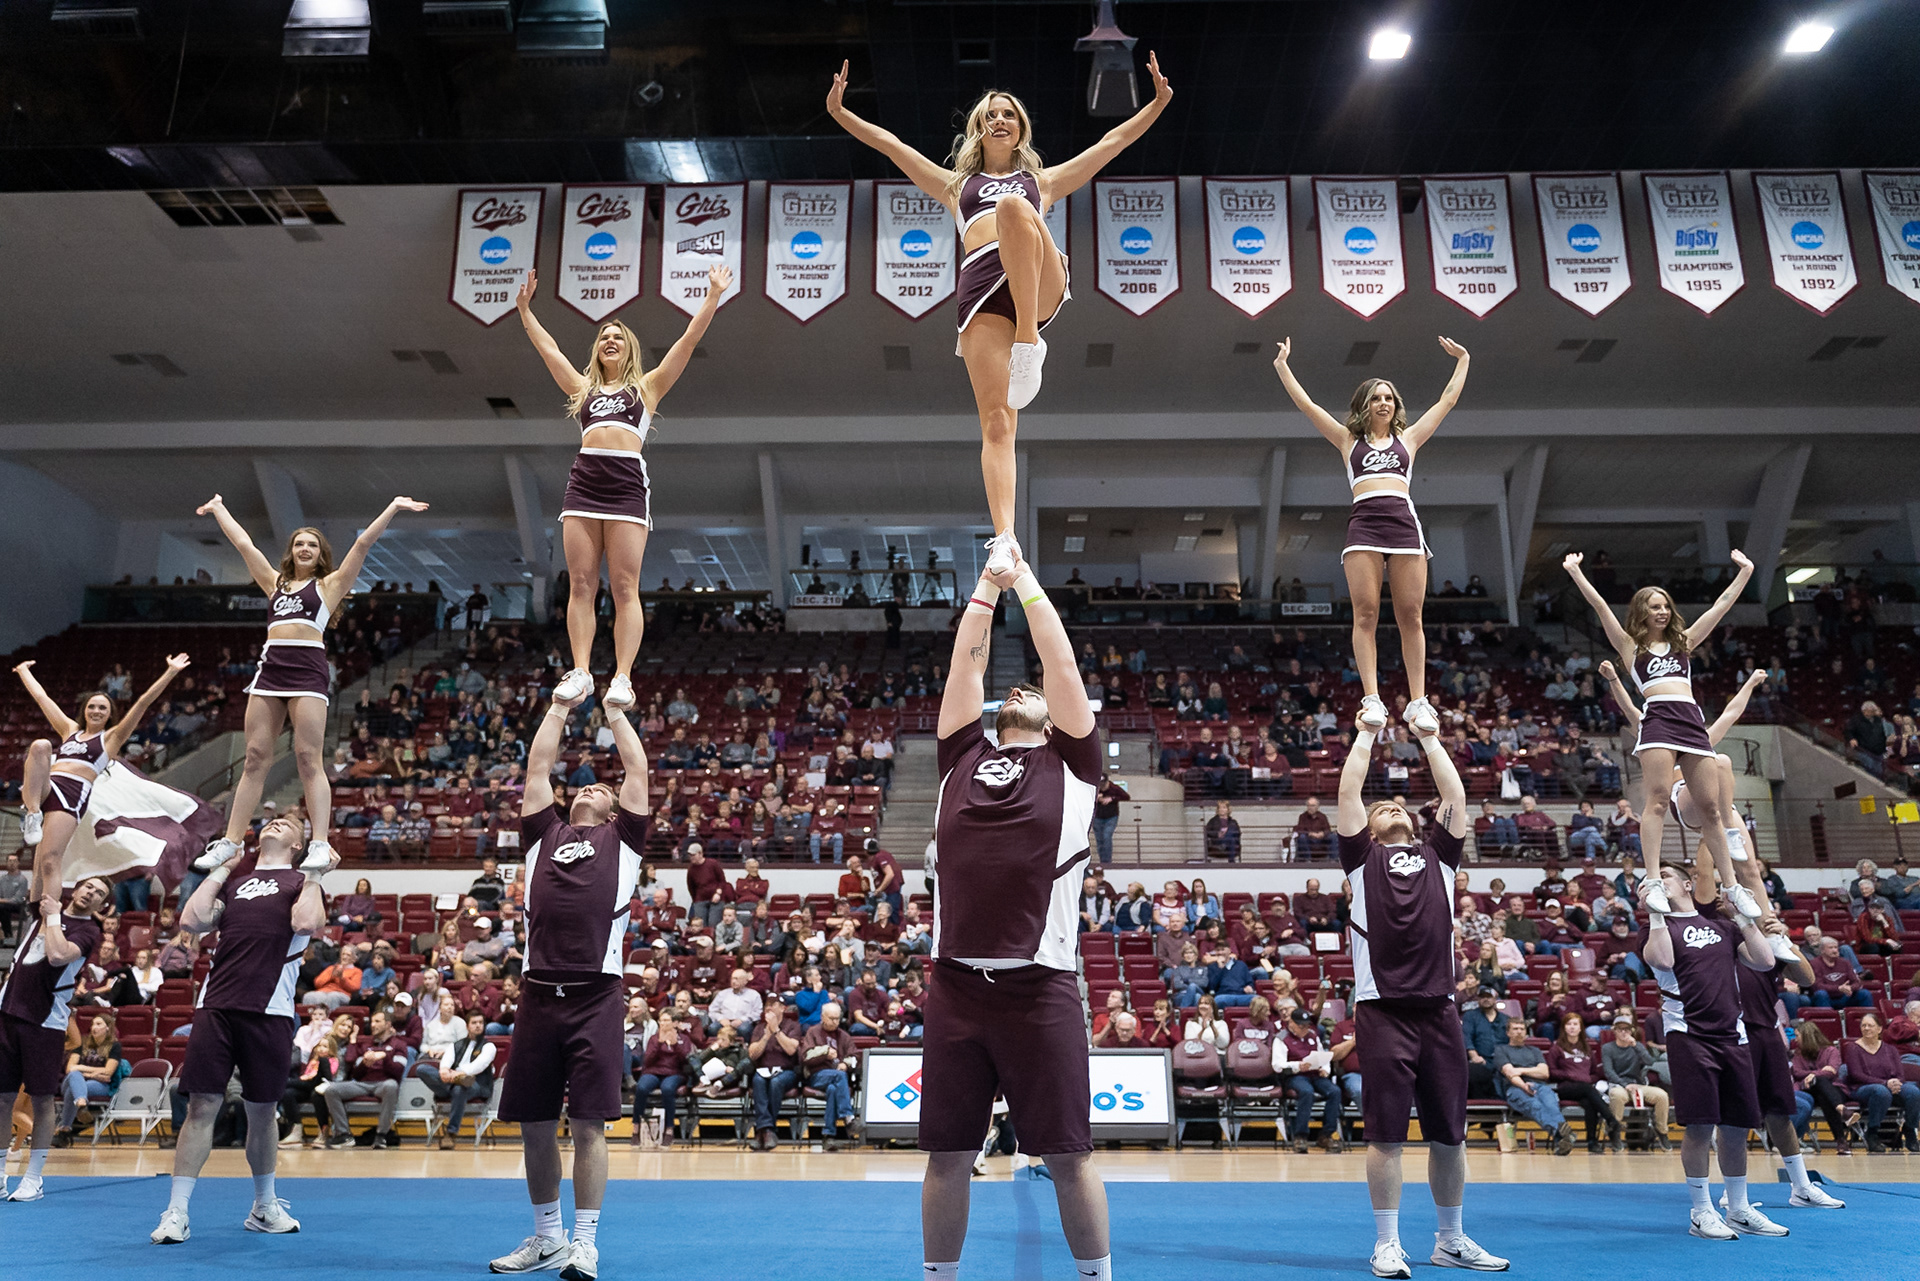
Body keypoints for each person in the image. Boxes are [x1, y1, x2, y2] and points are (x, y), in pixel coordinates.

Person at [826, 57, 1171, 581]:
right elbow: (891, 145)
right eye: (991, 114)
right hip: (980, 288)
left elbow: (1110, 144)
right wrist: (839, 111)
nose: (1000, 120)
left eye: (1009, 113)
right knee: (995, 421)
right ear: (980, 128)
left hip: (1037, 281)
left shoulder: (1042, 181)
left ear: (1020, 127)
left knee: (1013, 208)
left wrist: (1158, 104)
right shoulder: (953, 186)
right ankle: (1005, 539)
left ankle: (1030, 342)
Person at [918, 552, 1111, 1281]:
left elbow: (1059, 663)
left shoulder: (1075, 767)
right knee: (948, 1156)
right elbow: (963, 672)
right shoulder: (960, 757)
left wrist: (1026, 579)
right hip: (957, 987)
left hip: (1040, 988)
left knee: (1066, 1154)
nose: (1022, 687)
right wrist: (983, 589)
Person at [513, 259, 733, 714]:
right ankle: (579, 671)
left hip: (627, 486)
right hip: (585, 483)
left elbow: (687, 341)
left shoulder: (648, 388)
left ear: (629, 350)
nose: (609, 341)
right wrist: (525, 311)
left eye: (617, 338)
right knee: (579, 582)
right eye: (603, 338)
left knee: (625, 586)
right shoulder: (582, 389)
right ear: (596, 352)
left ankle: (623, 678)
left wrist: (712, 297)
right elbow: (550, 351)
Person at [1336, 696, 1505, 1276]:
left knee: (1449, 1137)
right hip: (1382, 1011)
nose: (1389, 806)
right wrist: (1366, 733)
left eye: (1398, 803)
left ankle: (1450, 1238)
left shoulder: (1441, 857)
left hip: (1439, 1010)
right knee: (1385, 1137)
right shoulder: (1360, 859)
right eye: (1381, 806)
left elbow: (1455, 798)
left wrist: (1430, 737)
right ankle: (1387, 1242)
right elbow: (1349, 795)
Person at [484, 678, 647, 1279]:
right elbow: (537, 767)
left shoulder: (625, 839)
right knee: (533, 1123)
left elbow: (636, 769)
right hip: (538, 994)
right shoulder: (543, 836)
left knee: (588, 1123)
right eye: (585, 784)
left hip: (595, 994)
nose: (592, 786)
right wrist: (556, 708)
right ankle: (546, 1236)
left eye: (602, 788)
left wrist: (613, 713)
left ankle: (586, 1241)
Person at [192, 496, 424, 876]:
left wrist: (394, 508)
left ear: (320, 555)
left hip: (307, 670)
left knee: (306, 758)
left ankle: (319, 842)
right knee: (254, 757)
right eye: (299, 543)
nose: (304, 548)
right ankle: (230, 841)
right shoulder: (274, 584)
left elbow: (363, 544)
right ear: (291, 551)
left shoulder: (330, 586)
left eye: (312, 545)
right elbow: (244, 545)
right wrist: (218, 508)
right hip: (271, 669)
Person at [1272, 335, 1470, 736]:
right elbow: (1308, 407)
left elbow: (1445, 401)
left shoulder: (1409, 439)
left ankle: (1418, 702)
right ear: (1364, 405)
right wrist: (1282, 366)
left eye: (1390, 398)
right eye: (1377, 397)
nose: (1384, 403)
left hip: (1403, 523)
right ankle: (1373, 697)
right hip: (1363, 525)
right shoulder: (1348, 441)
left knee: (1410, 616)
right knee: (1365, 614)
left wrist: (1463, 359)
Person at [150, 815, 330, 1244]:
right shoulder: (236, 880)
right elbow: (191, 922)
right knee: (201, 1106)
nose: (277, 821)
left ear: (299, 843)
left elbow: (306, 924)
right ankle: (176, 1211)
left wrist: (314, 871)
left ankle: (264, 1206)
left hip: (269, 1008)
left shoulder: (301, 879)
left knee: (262, 1110)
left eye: (288, 823)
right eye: (271, 819)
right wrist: (224, 866)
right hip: (216, 1005)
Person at [1566, 550, 1755, 920]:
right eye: (1654, 606)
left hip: (1690, 720)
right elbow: (1600, 605)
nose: (1662, 611)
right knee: (1655, 801)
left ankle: (1732, 887)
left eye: (1665, 605)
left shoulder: (1683, 641)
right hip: (1658, 721)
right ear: (1642, 612)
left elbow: (1721, 605)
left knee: (1712, 810)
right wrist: (1575, 571)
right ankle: (1652, 880)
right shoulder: (1629, 646)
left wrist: (1745, 572)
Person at [1636, 861, 1790, 1240]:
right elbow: (1663, 960)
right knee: (1701, 1125)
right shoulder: (1656, 929)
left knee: (1737, 1127)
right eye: (1649, 881)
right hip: (1689, 1034)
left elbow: (1766, 960)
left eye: (1664, 876)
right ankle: (1701, 1211)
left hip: (1732, 1035)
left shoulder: (1720, 927)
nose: (1655, 882)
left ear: (1688, 883)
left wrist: (1743, 916)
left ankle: (1738, 1208)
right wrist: (1655, 911)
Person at [1599, 661, 1790, 961]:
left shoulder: (1698, 743)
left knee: (1751, 870)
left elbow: (1731, 713)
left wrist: (1750, 684)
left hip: (1720, 806)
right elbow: (1629, 710)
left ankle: (1773, 933)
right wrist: (1612, 679)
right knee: (1722, 762)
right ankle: (1727, 827)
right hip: (1684, 803)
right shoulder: (1654, 734)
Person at [14, 655, 190, 901]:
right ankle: (32, 813)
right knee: (41, 746)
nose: (96, 711)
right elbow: (43, 699)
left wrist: (170, 672)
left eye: (102, 708)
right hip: (47, 788)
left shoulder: (111, 739)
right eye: (92, 707)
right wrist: (23, 671)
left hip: (71, 796)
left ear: (109, 715)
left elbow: (142, 703)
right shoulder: (69, 731)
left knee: (48, 862)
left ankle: (45, 922)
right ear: (84, 711)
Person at [0, 875, 108, 1201]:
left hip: (45, 1022)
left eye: (99, 893)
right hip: (7, 1012)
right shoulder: (45, 907)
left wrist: (53, 915)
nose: (91, 892)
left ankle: (34, 1177)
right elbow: (44, 865)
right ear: (76, 887)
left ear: (103, 905)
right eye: (88, 886)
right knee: (2, 1099)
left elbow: (58, 955)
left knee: (42, 1099)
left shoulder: (88, 932)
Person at [1728, 919, 1845, 1206]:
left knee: (1780, 1112)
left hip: (1767, 1031)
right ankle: (1733, 1196)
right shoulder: (1721, 936)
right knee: (1735, 1117)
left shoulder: (1765, 940)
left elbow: (1806, 979)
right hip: (1734, 1030)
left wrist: (1785, 940)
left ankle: (1802, 1187)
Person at [1492, 1017, 1575, 1156]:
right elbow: (1510, 1073)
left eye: (1522, 1029)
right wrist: (1524, 1085)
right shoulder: (1501, 1050)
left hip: (1540, 1086)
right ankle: (1563, 1135)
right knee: (1534, 1105)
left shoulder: (1535, 1051)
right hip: (1515, 1088)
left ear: (1526, 1032)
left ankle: (1562, 1138)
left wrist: (1522, 1070)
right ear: (1508, 1033)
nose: (1519, 1032)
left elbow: (1544, 1073)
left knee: (1551, 1105)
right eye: (1515, 1029)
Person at [1844, 1011, 1920, 1153]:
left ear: (1879, 1029)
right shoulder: (1853, 1048)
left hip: (1890, 1086)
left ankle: (1910, 1130)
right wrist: (1885, 1083)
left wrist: (1896, 1083)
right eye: (1863, 1025)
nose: (1866, 1028)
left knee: (1913, 1092)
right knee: (1881, 1091)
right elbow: (1856, 1075)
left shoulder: (1890, 1049)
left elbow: (1900, 1074)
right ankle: (1872, 1133)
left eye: (1870, 1025)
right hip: (1862, 1088)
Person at [1545, 1015, 1621, 1153]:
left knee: (1590, 1103)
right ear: (1564, 1028)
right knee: (1588, 1090)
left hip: (1585, 1088)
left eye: (1575, 1024)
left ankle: (1592, 1142)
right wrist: (1570, 1075)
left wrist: (1587, 1078)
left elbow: (1594, 1073)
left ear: (1581, 1028)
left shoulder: (1587, 1048)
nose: (1572, 1027)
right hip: (1564, 1087)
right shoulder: (1556, 1048)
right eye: (1569, 1024)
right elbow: (1551, 1072)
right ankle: (1611, 1120)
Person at [1601, 1015, 1671, 1149]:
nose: (1623, 1032)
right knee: (1616, 1095)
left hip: (1638, 1084)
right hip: (1619, 1085)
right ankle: (1614, 1131)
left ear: (1632, 1031)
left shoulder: (1637, 1046)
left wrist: (1636, 1046)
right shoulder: (1607, 1048)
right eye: (1620, 1029)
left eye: (1626, 1029)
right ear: (1614, 1031)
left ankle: (1662, 1131)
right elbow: (1609, 1071)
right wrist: (1624, 1084)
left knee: (1661, 1096)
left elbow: (1650, 1062)